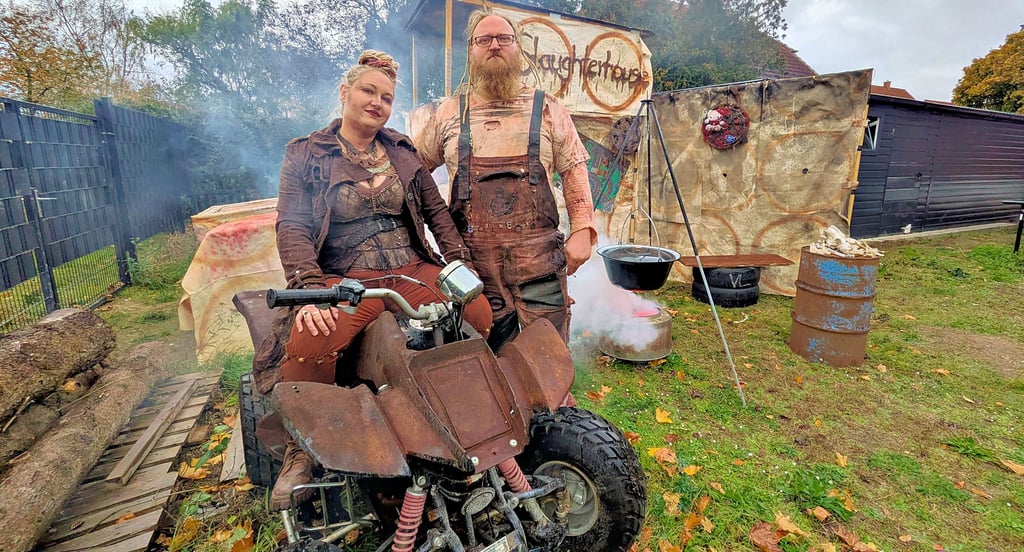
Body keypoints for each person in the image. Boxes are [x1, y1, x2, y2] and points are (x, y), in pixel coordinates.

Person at [269, 50, 493, 510]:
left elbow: (436, 215)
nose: (377, 102)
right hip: (346, 278)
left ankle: (463, 414)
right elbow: (291, 226)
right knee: (315, 337)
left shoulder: (401, 151)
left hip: (410, 269)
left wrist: (457, 263)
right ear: (345, 93)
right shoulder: (305, 154)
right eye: (368, 91)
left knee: (477, 311)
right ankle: (301, 453)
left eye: (387, 97)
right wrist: (310, 291)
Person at [413, 8, 597, 351]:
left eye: (504, 38)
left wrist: (583, 229)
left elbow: (574, 169)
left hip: (540, 265)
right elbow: (414, 174)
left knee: (547, 357)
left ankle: (552, 405)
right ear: (471, 51)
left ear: (518, 48)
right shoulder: (449, 112)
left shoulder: (550, 108)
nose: (494, 45)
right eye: (484, 40)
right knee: (481, 362)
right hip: (471, 269)